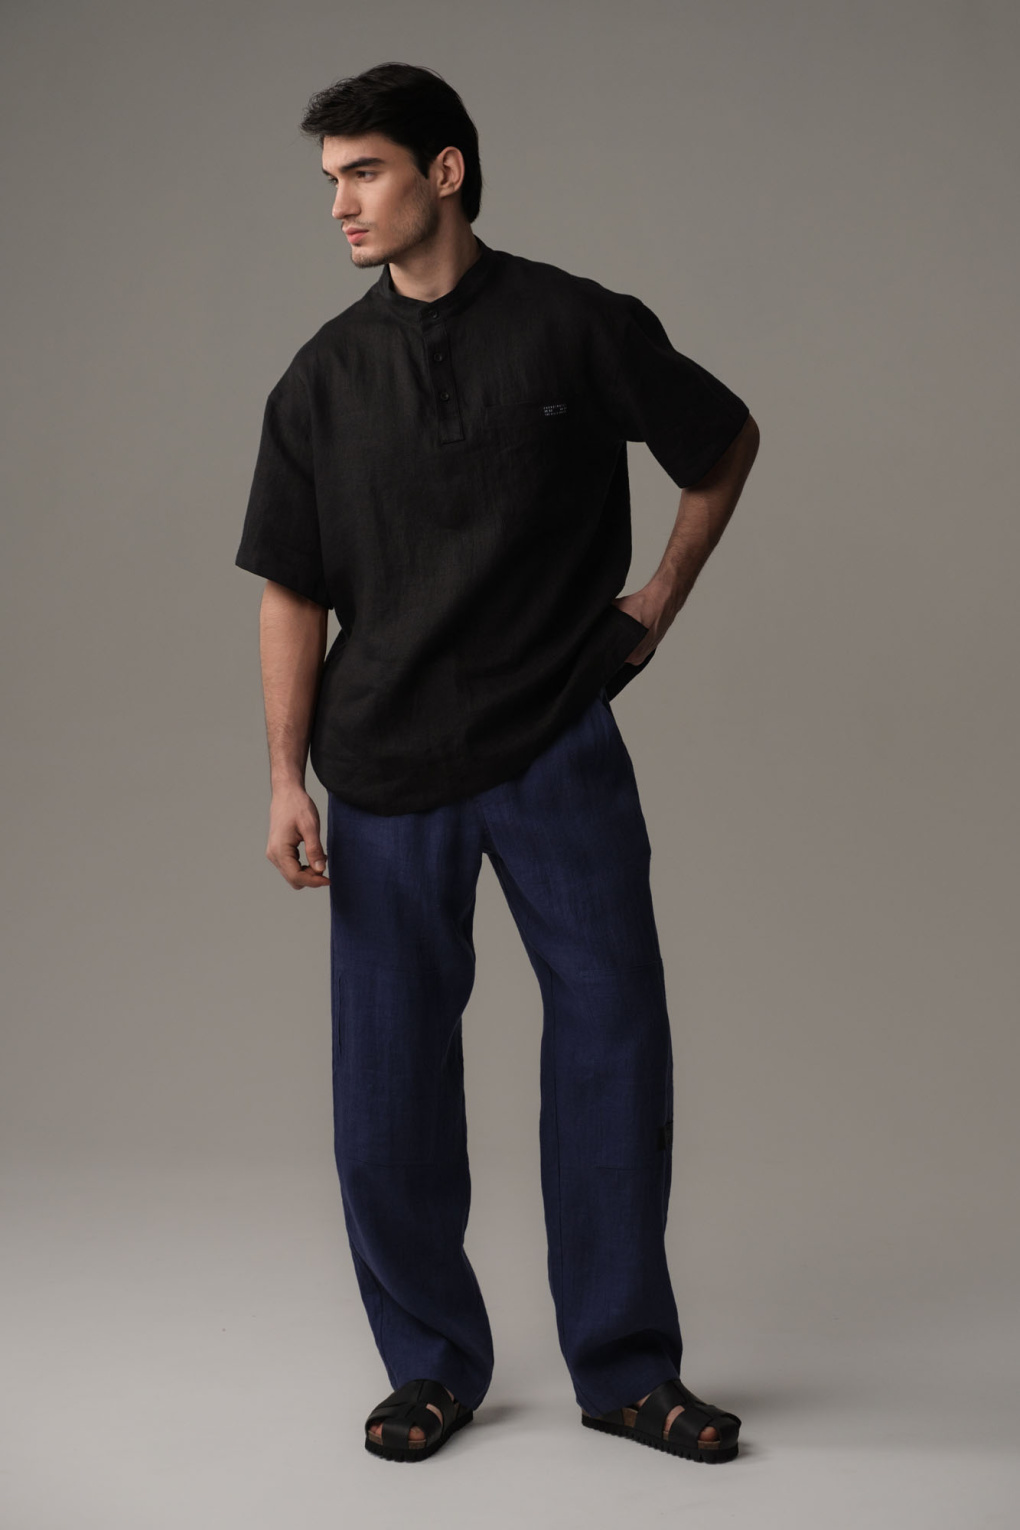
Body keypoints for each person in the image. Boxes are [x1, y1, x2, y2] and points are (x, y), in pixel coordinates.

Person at [235, 61, 759, 1466]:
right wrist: (284, 778)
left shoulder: (575, 326)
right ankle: (428, 1366)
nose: (341, 204)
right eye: (332, 180)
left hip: (555, 744)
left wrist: (661, 597)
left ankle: (626, 1369)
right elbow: (292, 591)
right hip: (383, 766)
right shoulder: (320, 380)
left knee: (614, 1049)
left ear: (446, 171)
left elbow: (721, 441)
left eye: (364, 172)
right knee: (387, 1088)